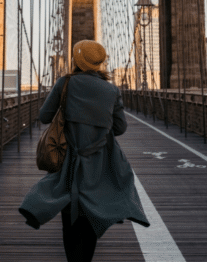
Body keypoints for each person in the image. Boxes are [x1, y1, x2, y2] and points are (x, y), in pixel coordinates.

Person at [19, 40, 149, 262]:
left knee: (69, 214)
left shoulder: (65, 83)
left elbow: (44, 117)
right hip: (100, 164)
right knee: (91, 213)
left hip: (69, 160)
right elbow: (120, 128)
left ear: (76, 60)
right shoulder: (111, 90)